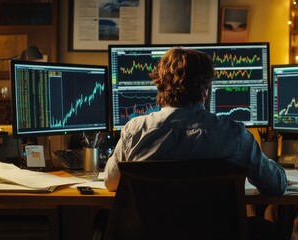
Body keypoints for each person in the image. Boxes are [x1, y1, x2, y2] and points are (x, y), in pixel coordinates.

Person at [104, 47, 287, 195]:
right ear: (206, 90)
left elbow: (111, 183)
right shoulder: (234, 135)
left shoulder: (134, 131)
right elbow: (276, 186)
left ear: (161, 86)